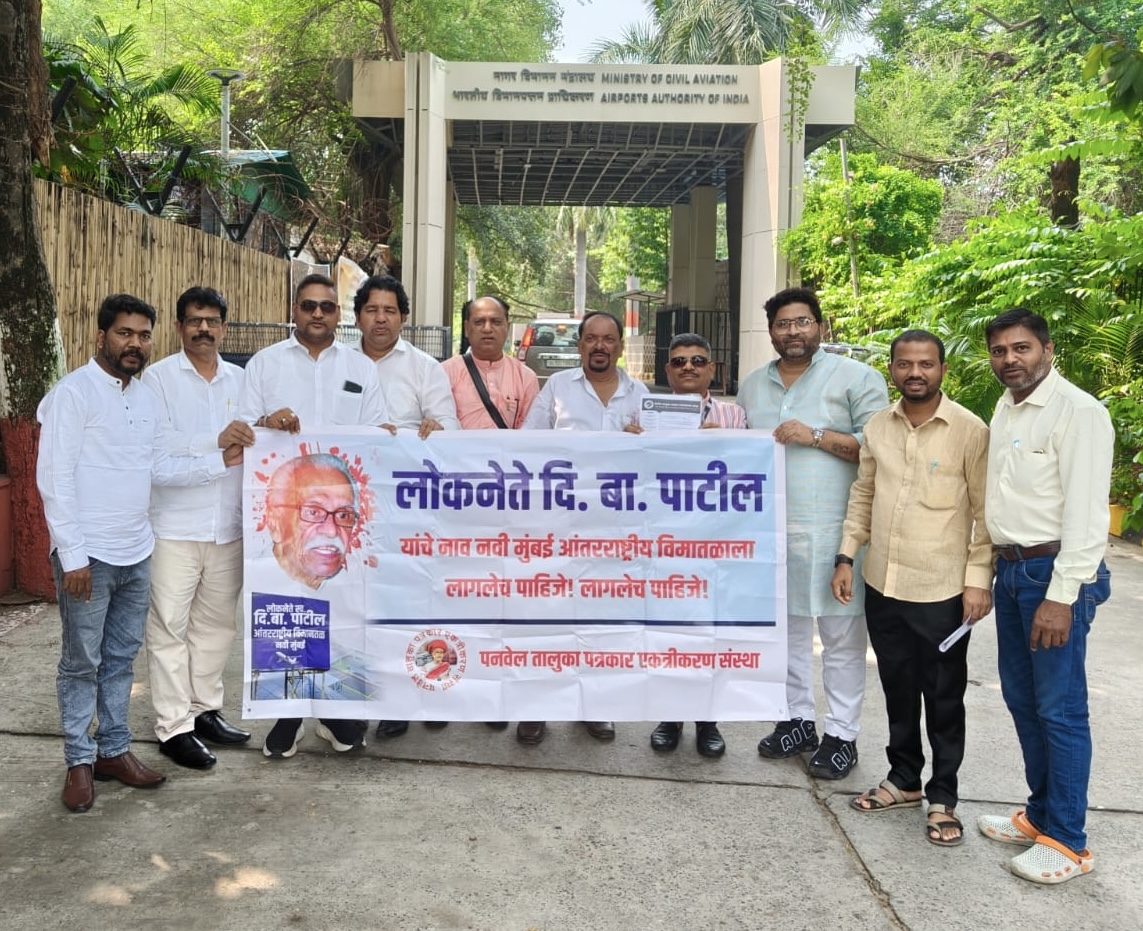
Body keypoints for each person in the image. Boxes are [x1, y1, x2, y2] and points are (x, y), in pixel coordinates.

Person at [37, 293, 241, 812]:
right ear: (101, 336)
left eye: (143, 335)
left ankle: (114, 751)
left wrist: (221, 461)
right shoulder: (73, 394)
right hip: (89, 557)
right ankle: (79, 761)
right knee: (81, 662)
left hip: (136, 551)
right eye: (124, 333)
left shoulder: (145, 396)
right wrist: (72, 555)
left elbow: (160, 468)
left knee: (120, 659)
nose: (135, 344)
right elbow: (54, 479)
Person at [831, 330, 991, 846]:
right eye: (905, 364)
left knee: (943, 698)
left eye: (925, 364)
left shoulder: (970, 430)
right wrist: (846, 556)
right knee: (898, 688)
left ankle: (943, 797)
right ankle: (903, 780)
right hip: (883, 582)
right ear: (893, 370)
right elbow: (863, 494)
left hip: (942, 590)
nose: (915, 373)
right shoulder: (878, 426)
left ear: (942, 369)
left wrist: (978, 581)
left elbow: (985, 514)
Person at [975, 308, 1113, 884]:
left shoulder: (1079, 412)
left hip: (1054, 576)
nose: (1010, 359)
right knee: (1023, 700)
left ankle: (1069, 842)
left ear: (1048, 350)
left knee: (1060, 708)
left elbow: (1087, 516)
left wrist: (1062, 596)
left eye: (1022, 348)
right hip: (1012, 572)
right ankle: (1040, 815)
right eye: (1000, 350)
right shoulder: (1006, 407)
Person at [736, 287, 888, 780]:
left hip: (838, 536)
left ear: (820, 326)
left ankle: (842, 735)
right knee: (787, 634)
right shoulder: (752, 386)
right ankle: (796, 721)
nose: (793, 331)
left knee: (841, 639)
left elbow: (881, 448)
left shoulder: (857, 378)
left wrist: (816, 436)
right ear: (771, 332)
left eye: (802, 322)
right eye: (783, 324)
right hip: (773, 535)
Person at [237, 273, 390, 760]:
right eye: (308, 306)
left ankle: (335, 711)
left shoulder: (360, 368)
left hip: (339, 516)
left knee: (343, 611)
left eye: (326, 306)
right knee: (287, 611)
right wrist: (266, 424)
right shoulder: (264, 364)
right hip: (287, 512)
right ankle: (288, 714)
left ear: (338, 314)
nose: (318, 314)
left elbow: (379, 429)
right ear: (294, 310)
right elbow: (244, 428)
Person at [520, 311, 649, 745]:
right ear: (579, 346)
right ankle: (536, 708)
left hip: (614, 532)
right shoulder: (557, 388)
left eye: (608, 339)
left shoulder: (640, 395)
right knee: (548, 619)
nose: (599, 346)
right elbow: (527, 444)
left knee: (601, 622)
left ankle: (595, 706)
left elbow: (661, 459)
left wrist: (644, 442)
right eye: (591, 338)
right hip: (559, 526)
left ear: (620, 346)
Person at [141, 287, 254, 771]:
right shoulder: (157, 380)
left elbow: (261, 440)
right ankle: (173, 727)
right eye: (194, 321)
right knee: (169, 627)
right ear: (179, 327)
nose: (203, 329)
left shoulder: (244, 380)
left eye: (211, 321)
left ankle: (204, 710)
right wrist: (216, 448)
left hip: (228, 527)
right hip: (174, 528)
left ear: (225, 328)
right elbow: (156, 455)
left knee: (216, 627)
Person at [628, 333, 746, 758]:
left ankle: (708, 721)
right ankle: (669, 717)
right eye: (679, 362)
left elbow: (752, 471)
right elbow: (629, 476)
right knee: (668, 633)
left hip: (715, 544)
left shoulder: (734, 415)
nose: (688, 367)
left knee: (710, 634)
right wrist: (628, 442)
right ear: (668, 371)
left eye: (697, 360)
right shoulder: (643, 414)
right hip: (663, 545)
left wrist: (726, 443)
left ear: (711, 369)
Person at [354, 274, 459, 437]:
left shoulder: (426, 368)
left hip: (406, 452)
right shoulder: (339, 362)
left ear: (403, 320)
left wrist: (438, 427)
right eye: (372, 310)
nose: (380, 318)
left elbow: (449, 422)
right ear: (357, 318)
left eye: (389, 311)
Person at [442, 296, 540, 430]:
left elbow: (530, 431)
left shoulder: (526, 378)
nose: (487, 329)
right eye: (479, 322)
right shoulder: (445, 373)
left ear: (507, 327)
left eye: (496, 322)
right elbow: (441, 422)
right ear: (466, 328)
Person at [265, 453, 359, 589]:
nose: (332, 531)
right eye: (313, 512)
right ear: (274, 523)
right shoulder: (247, 581)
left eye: (343, 515)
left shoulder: (358, 588)